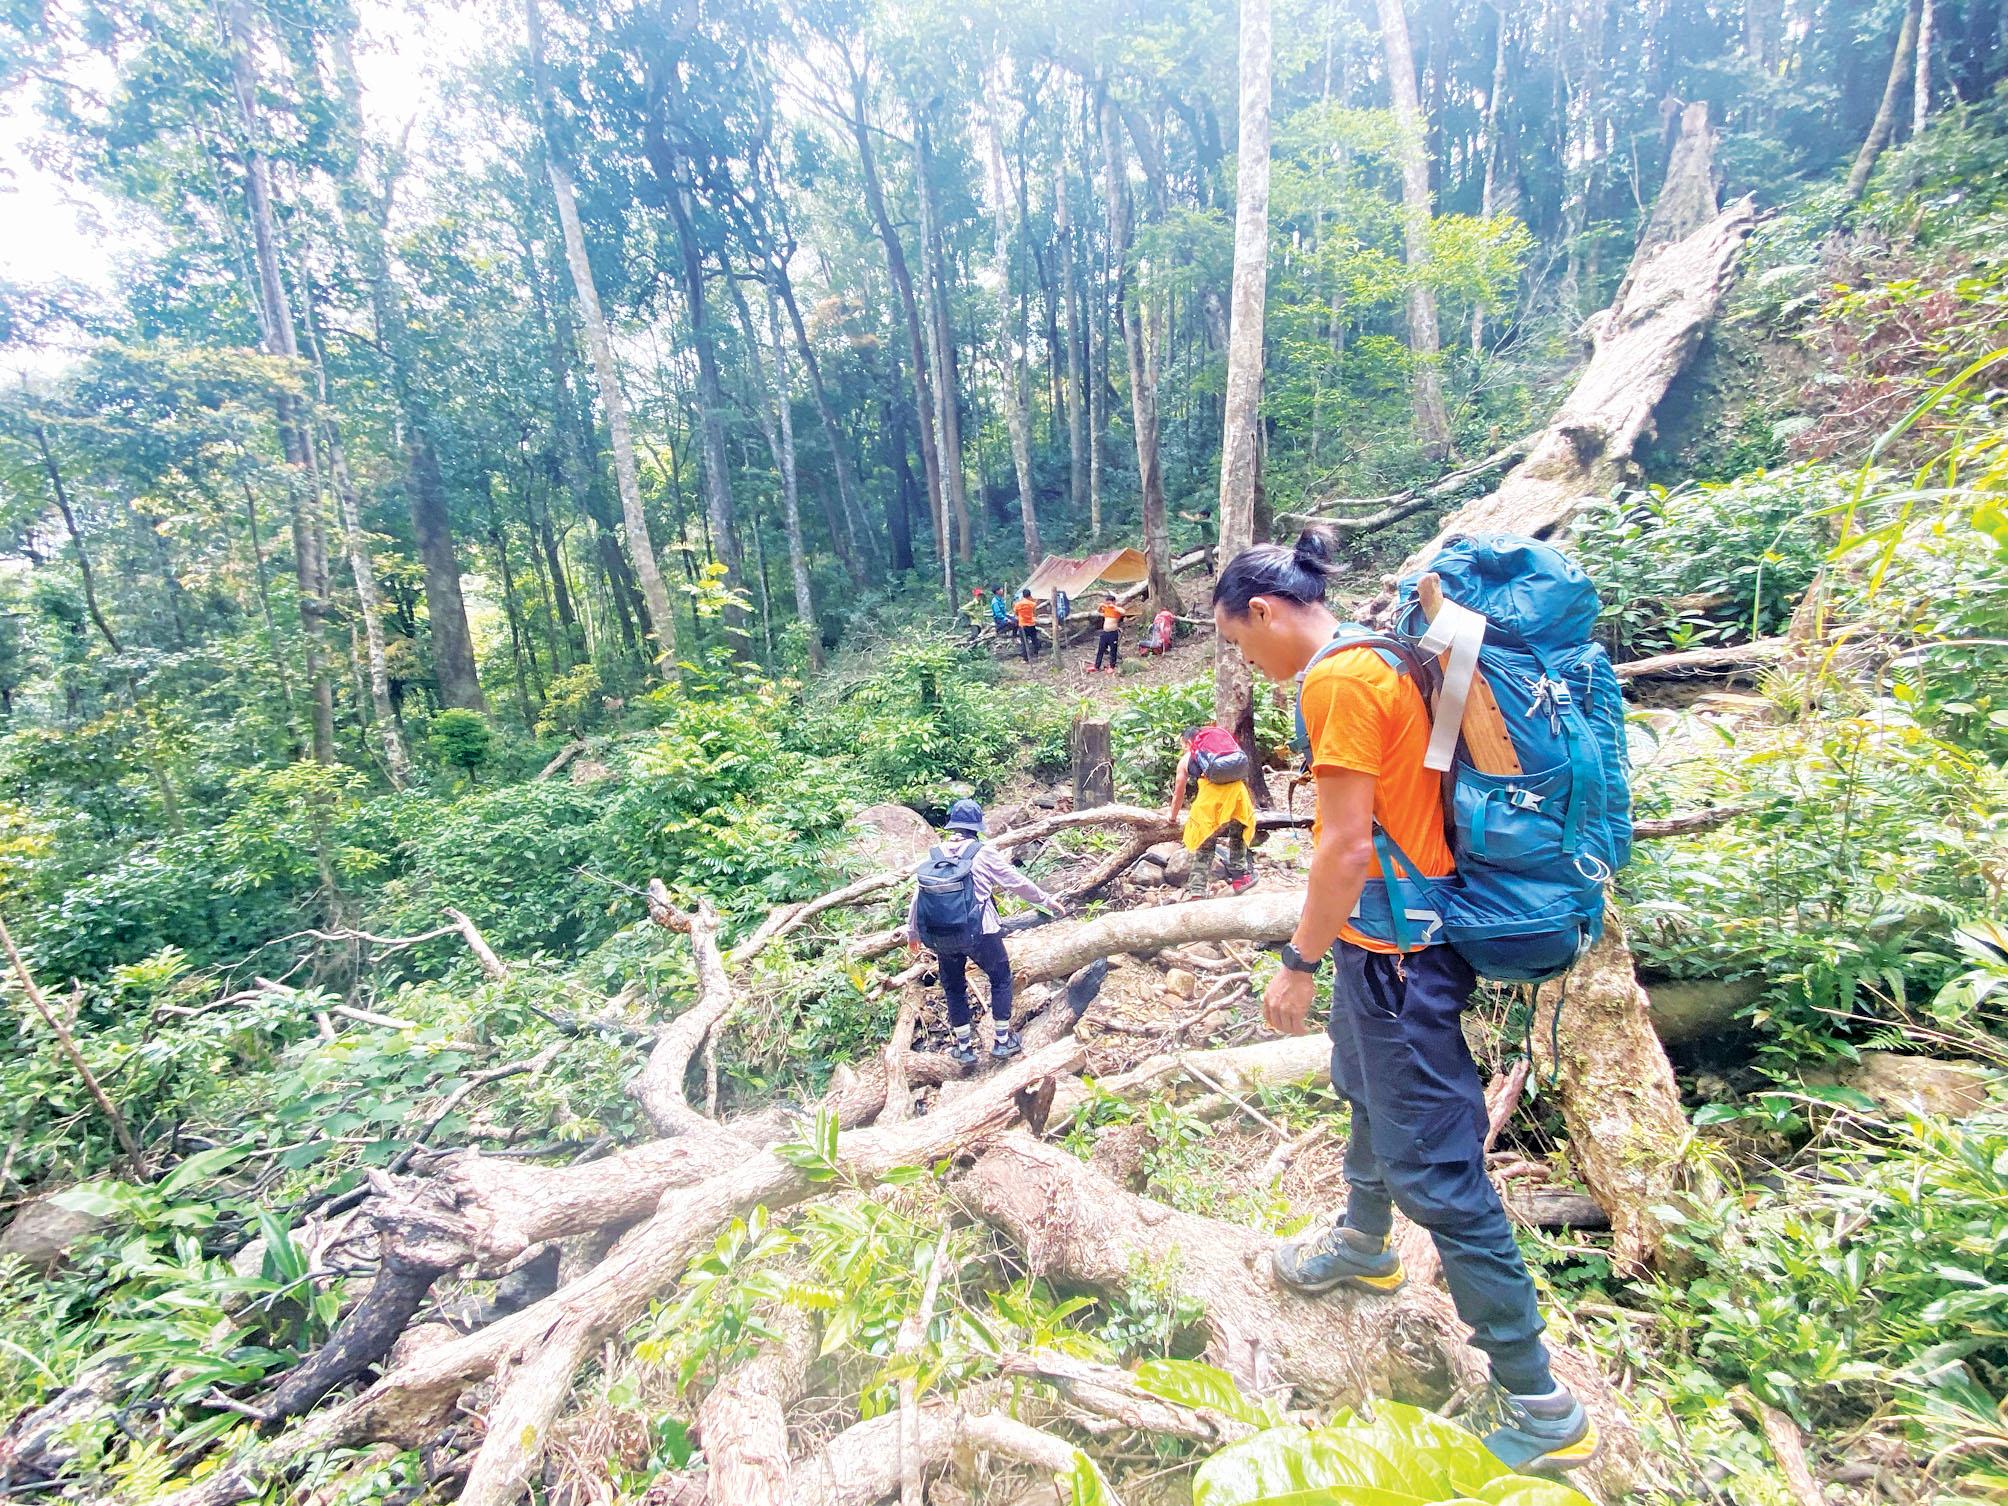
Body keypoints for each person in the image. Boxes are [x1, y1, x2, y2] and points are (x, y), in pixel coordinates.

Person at [1209, 528, 1598, 1477]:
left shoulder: (1337, 682)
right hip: (1397, 933)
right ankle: (1364, 1241)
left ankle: (1538, 1397)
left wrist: (1297, 960)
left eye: (1238, 642)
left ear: (1264, 612)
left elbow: (1344, 848)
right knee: (1362, 1087)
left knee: (1438, 1167)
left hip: (1399, 953)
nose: (1246, 663)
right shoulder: (1389, 655)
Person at [905, 800, 1065, 1064]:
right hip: (981, 931)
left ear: (953, 826)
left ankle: (965, 1047)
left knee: (954, 987)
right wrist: (1046, 901)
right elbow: (1016, 882)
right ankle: (1002, 1041)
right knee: (1000, 978)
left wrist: (913, 933)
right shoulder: (982, 852)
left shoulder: (935, 855)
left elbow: (917, 897)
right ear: (976, 827)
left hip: (943, 936)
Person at [1168, 726, 1255, 895]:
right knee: (1237, 836)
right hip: (1237, 797)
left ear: (1187, 742)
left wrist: (1172, 817)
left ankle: (1197, 891)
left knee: (1205, 847)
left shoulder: (1186, 760)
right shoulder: (1224, 750)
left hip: (1209, 804)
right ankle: (1240, 878)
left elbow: (1179, 792)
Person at [1091, 594, 1126, 673]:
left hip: (1113, 633)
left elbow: (1123, 611)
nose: (1108, 604)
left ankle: (1112, 666)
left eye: (1110, 603)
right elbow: (1099, 611)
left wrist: (1113, 606)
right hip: (1104, 632)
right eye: (1107, 603)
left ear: (1114, 602)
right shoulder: (1106, 609)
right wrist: (1101, 606)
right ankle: (1097, 666)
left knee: (1113, 650)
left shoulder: (1116, 609)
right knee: (1101, 649)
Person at [1013, 589, 1042, 659]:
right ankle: (1036, 653)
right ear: (1030, 595)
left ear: (1023, 595)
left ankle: (1025, 658)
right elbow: (1034, 613)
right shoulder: (1032, 604)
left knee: (1024, 642)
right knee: (1034, 639)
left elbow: (1016, 613)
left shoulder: (1018, 604)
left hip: (1022, 625)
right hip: (1031, 624)